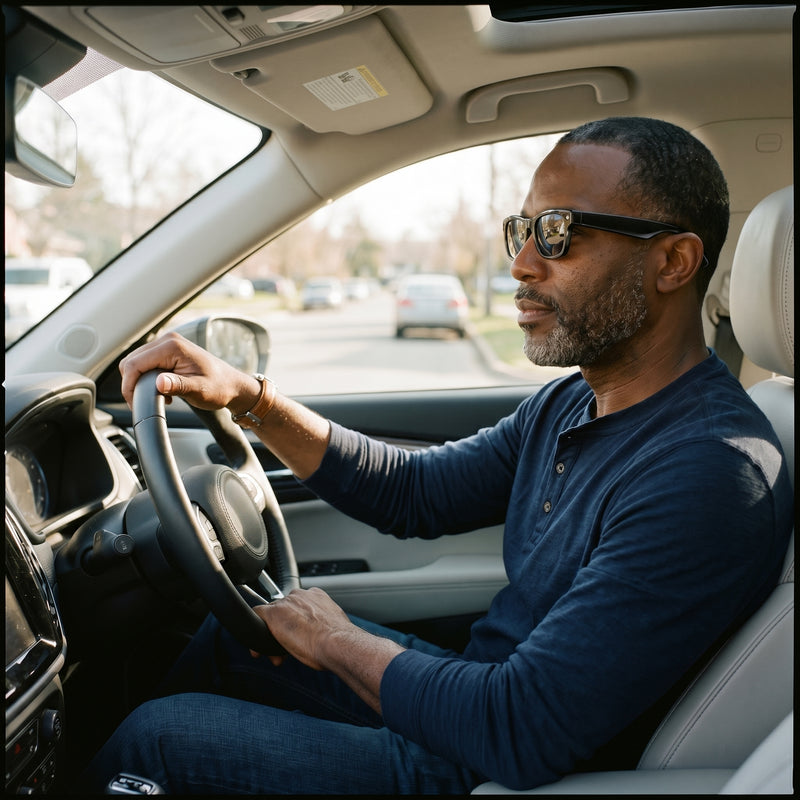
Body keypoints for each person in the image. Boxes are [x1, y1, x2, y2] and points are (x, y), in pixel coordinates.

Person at [82, 117, 792, 794]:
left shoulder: (712, 471)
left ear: (673, 261)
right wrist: (254, 402)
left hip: (493, 766)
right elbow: (414, 492)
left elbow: (521, 727)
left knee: (158, 738)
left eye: (558, 234)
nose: (520, 264)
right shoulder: (574, 401)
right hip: (476, 695)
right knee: (232, 635)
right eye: (521, 230)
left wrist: (333, 640)